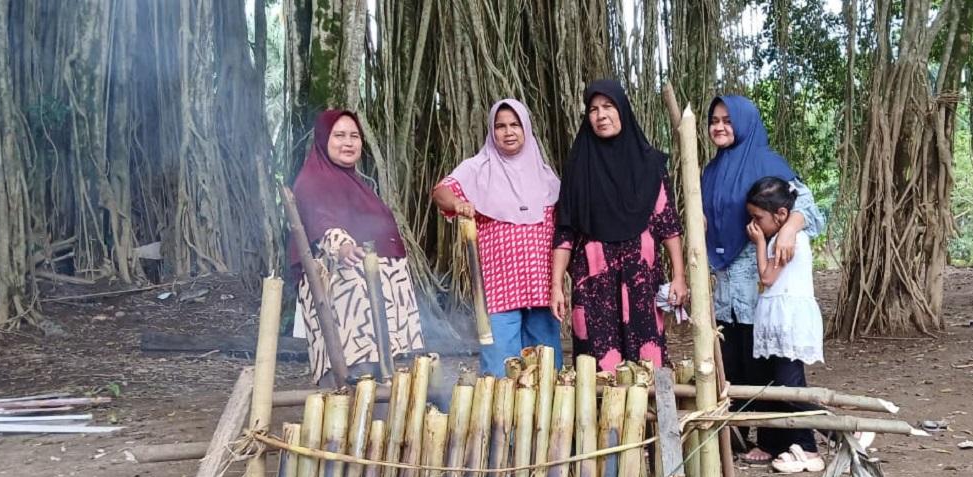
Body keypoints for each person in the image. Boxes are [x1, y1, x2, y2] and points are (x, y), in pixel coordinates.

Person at [700, 95, 825, 464]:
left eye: (728, 120)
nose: (719, 127)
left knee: (770, 363)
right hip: (726, 281)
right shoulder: (710, 170)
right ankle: (754, 437)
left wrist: (787, 231)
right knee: (736, 358)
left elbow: (806, 206)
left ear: (744, 122)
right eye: (714, 120)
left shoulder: (767, 162)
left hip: (763, 276)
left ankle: (790, 440)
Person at [551, 79, 687, 372]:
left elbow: (667, 223)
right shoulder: (577, 168)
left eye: (608, 106)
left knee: (647, 365)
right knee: (598, 369)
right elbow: (565, 232)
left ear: (622, 109)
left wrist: (679, 276)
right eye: (593, 109)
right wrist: (556, 286)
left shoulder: (650, 166)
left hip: (641, 279)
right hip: (593, 282)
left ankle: (650, 404)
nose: (601, 115)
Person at [290, 109, 424, 386]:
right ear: (323, 139)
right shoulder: (311, 181)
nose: (348, 143)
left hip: (382, 304)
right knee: (356, 380)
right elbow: (322, 223)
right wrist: (343, 247)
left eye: (354, 136)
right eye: (339, 135)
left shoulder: (358, 184)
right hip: (349, 302)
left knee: (387, 381)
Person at [432, 99, 562, 375]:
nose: (508, 131)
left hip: (541, 289)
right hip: (498, 290)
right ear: (492, 131)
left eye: (515, 125)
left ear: (526, 129)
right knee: (501, 371)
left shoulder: (544, 174)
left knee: (546, 370)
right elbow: (441, 192)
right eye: (500, 126)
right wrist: (458, 203)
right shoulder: (478, 168)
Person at [743, 177, 829, 473]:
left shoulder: (786, 240)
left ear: (781, 214)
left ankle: (818, 442)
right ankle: (781, 443)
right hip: (778, 320)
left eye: (758, 218)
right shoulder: (779, 238)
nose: (754, 225)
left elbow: (767, 278)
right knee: (776, 383)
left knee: (790, 387)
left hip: (788, 322)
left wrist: (758, 244)